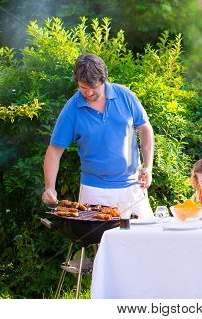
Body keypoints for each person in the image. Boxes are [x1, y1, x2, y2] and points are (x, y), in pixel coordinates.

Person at [41, 54, 154, 218]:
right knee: (101, 243)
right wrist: (49, 188)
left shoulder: (125, 96)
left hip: (133, 188)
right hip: (94, 191)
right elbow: (54, 151)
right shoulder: (72, 109)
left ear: (104, 79)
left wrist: (148, 167)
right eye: (83, 87)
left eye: (93, 87)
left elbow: (145, 129)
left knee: (144, 239)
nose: (89, 92)